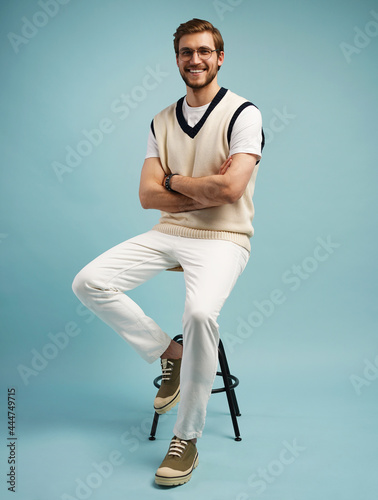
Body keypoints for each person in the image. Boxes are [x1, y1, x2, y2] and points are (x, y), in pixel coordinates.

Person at [72, 18, 264, 487]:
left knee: (200, 314)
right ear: (176, 59)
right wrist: (199, 188)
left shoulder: (244, 114)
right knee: (88, 282)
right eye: (185, 52)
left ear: (220, 57)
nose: (194, 60)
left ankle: (188, 439)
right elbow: (146, 195)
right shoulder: (161, 120)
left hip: (225, 239)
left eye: (204, 51)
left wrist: (174, 181)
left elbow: (232, 189)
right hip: (171, 232)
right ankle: (169, 354)